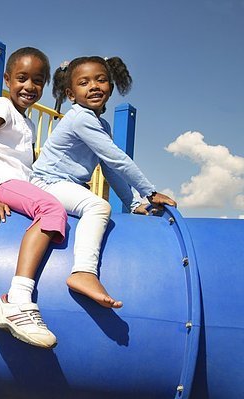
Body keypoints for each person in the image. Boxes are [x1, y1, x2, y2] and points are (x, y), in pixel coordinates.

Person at [31, 56, 177, 309]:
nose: (94, 86)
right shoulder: (80, 118)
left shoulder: (101, 124)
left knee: (98, 202)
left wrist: (132, 203)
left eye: (101, 80)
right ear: (71, 93)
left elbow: (109, 168)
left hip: (66, 185)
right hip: (47, 182)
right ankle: (83, 272)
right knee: (98, 207)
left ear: (110, 86)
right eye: (84, 82)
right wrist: (149, 192)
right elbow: (118, 159)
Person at [0, 47, 67, 349]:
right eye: (22, 78)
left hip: (19, 182)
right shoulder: (0, 106)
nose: (30, 86)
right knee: (52, 208)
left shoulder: (28, 122)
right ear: (8, 79)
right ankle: (17, 299)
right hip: (1, 183)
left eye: (38, 81)